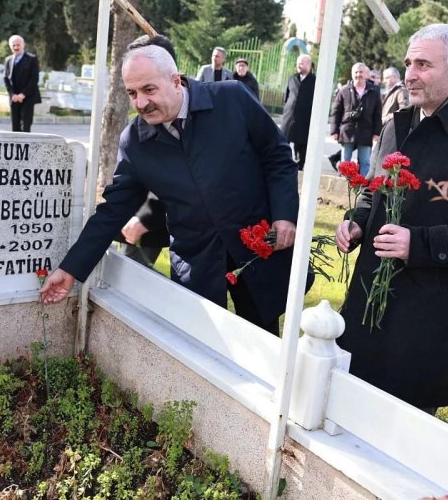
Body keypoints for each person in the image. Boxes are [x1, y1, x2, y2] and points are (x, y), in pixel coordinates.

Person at [40, 44, 312, 335]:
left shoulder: (232, 98)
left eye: (149, 90)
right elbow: (112, 211)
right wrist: (71, 269)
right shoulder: (135, 142)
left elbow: (277, 155)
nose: (141, 103)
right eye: (132, 93)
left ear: (175, 80)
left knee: (262, 341)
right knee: (198, 351)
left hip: (256, 249)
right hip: (198, 264)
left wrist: (285, 215)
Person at [334, 23, 448, 412]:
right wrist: (357, 221)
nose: (410, 74)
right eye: (408, 63)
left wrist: (417, 244)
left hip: (426, 317)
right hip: (368, 300)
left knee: (401, 432)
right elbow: (375, 189)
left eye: (423, 64)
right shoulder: (396, 125)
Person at [115, 34, 176, 268]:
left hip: (158, 221)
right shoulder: (137, 129)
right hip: (136, 218)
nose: (140, 102)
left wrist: (145, 218)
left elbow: (174, 179)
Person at [329, 62, 381, 176]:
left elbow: (377, 115)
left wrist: (377, 133)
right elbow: (336, 112)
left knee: (365, 162)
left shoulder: (374, 92)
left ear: (366, 74)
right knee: (345, 161)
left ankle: (363, 188)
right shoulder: (344, 90)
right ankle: (343, 183)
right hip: (347, 131)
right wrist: (334, 131)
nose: (359, 74)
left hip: (366, 132)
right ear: (352, 74)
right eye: (356, 72)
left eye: (361, 72)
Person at [280, 54, 316, 170]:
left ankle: (300, 165)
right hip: (289, 116)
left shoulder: (315, 81)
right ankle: (283, 162)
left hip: (305, 117)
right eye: (298, 63)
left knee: (302, 143)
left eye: (301, 63)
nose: (298, 65)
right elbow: (286, 96)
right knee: (284, 141)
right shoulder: (292, 78)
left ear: (309, 65)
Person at [3, 35, 42, 132]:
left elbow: (34, 80)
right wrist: (12, 94)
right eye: (13, 45)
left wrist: (22, 95)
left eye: (18, 45)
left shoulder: (32, 59)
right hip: (14, 98)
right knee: (15, 126)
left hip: (28, 98)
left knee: (25, 126)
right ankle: (15, 146)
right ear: (10, 46)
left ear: (23, 45)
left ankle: (26, 146)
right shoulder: (8, 60)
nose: (16, 47)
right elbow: (6, 78)